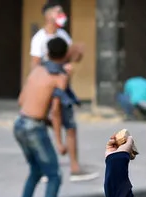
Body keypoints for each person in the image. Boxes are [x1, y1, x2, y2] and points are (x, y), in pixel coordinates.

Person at [30, 1, 97, 182]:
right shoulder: (39, 39)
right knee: (46, 127)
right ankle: (46, 168)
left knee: (70, 126)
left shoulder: (63, 35)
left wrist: (76, 55)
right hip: (48, 90)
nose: (61, 14)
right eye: (58, 11)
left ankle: (75, 167)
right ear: (48, 15)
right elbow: (35, 66)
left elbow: (69, 57)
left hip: (63, 87)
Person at [13, 37, 71, 197]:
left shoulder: (37, 70)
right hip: (35, 128)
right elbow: (55, 111)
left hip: (20, 124)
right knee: (54, 175)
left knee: (36, 170)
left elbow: (22, 99)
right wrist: (60, 142)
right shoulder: (59, 77)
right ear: (64, 55)